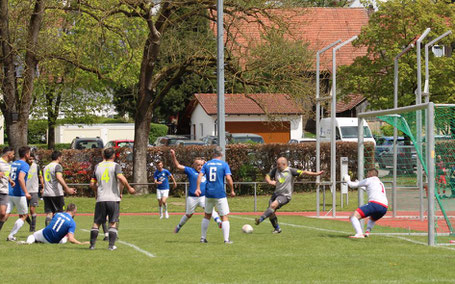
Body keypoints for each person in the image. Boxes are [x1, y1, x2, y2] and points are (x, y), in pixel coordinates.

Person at [255, 157, 323, 233]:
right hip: (275, 194)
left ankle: (260, 219)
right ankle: (277, 229)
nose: (277, 166)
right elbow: (267, 176)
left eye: (278, 164)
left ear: (284, 164)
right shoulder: (275, 170)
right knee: (271, 212)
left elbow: (304, 172)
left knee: (273, 206)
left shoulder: (291, 170)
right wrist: (270, 181)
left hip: (285, 196)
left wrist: (316, 174)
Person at [89, 148, 135, 250]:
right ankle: (111, 246)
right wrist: (129, 188)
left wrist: (97, 191)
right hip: (113, 198)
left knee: (96, 222)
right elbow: (121, 178)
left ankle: (92, 245)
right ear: (113, 156)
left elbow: (92, 184)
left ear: (103, 156)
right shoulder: (115, 166)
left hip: (101, 199)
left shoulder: (97, 166)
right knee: (113, 222)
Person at [170, 149, 222, 233]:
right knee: (189, 215)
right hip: (192, 198)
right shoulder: (190, 171)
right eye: (198, 165)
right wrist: (173, 156)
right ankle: (179, 226)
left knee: (210, 210)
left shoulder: (207, 172)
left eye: (201, 165)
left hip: (203, 197)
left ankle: (219, 221)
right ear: (194, 165)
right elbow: (178, 166)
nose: (200, 167)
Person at [196, 147, 235, 244]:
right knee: (224, 216)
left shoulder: (207, 164)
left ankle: (202, 238)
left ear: (213, 154)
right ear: (221, 154)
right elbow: (229, 178)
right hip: (220, 194)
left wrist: (198, 188)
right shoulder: (224, 164)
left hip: (209, 193)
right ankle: (226, 240)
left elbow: (200, 175)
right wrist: (232, 190)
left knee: (207, 215)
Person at [343, 168, 388, 238]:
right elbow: (369, 189)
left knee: (353, 216)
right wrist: (361, 186)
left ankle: (359, 234)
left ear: (370, 174)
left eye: (367, 173)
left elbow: (352, 185)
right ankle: (367, 232)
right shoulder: (380, 182)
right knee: (372, 218)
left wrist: (347, 180)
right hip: (384, 207)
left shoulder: (369, 180)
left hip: (375, 204)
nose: (366, 175)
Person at [42, 151, 77, 226]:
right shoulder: (57, 166)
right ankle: (59, 232)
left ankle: (48, 231)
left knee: (49, 213)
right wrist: (67, 188)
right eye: (61, 157)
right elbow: (59, 177)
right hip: (56, 193)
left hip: (46, 193)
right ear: (58, 157)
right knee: (60, 213)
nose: (62, 159)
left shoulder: (46, 167)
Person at [5, 146, 32, 241]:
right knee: (24, 215)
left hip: (9, 192)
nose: (30, 155)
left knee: (5, 214)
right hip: (19, 194)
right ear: (26, 154)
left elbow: (8, 175)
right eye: (29, 153)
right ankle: (11, 235)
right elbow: (20, 178)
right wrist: (26, 192)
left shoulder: (13, 163)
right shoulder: (24, 165)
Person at [26, 152, 44, 232]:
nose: (31, 160)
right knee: (23, 212)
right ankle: (30, 223)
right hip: (24, 191)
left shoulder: (36, 167)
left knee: (32, 210)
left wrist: (43, 187)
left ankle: (32, 228)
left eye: (32, 159)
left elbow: (40, 177)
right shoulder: (24, 166)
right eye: (30, 159)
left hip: (34, 191)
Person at [0, 147, 15, 235]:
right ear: (9, 154)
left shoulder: (9, 164)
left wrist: (10, 180)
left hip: (4, 191)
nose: (13, 156)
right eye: (13, 154)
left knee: (2, 213)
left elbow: (6, 174)